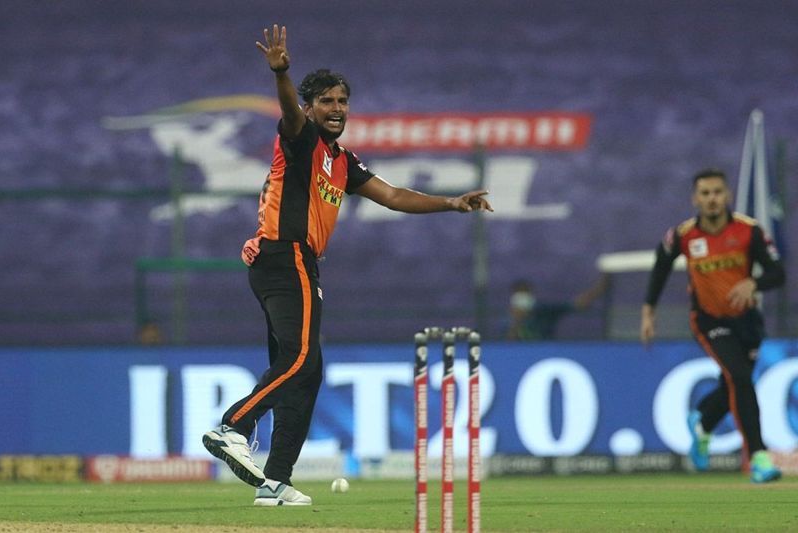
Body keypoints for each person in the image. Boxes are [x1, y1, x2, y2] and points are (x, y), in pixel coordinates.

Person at [202, 25, 493, 507]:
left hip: (295, 264)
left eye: (342, 101)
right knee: (299, 360)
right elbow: (290, 117)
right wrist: (282, 75)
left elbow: (394, 195)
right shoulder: (302, 139)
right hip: (286, 256)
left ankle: (274, 482)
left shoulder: (343, 161)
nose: (337, 109)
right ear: (311, 106)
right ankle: (232, 426)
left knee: (305, 370)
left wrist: (452, 203)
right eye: (327, 101)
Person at [640, 168, 784, 483]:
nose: (712, 199)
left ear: (727, 195)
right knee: (741, 378)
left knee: (733, 382)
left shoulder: (750, 231)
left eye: (717, 192)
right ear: (695, 199)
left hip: (747, 321)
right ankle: (758, 457)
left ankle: (703, 422)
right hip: (708, 320)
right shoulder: (684, 235)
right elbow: (661, 266)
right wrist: (649, 310)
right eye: (705, 194)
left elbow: (778, 273)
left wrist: (753, 282)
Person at [507, 274, 607, 341]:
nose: (522, 299)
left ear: (531, 294)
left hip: (545, 353)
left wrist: (600, 286)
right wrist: (516, 322)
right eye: (519, 295)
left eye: (525, 293)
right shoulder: (504, 320)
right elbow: (508, 344)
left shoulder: (545, 311)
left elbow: (579, 304)